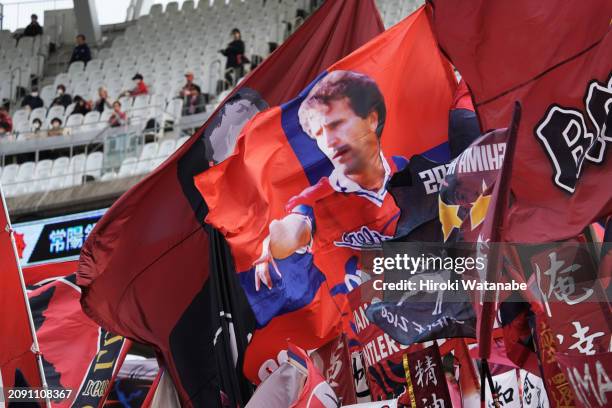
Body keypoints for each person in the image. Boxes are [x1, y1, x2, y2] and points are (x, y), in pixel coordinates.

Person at [253, 70, 402, 292]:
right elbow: (296, 225)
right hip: (373, 323)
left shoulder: (407, 167)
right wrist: (275, 241)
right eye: (319, 133)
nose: (329, 142)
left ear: (371, 119)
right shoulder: (314, 200)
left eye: (336, 125)